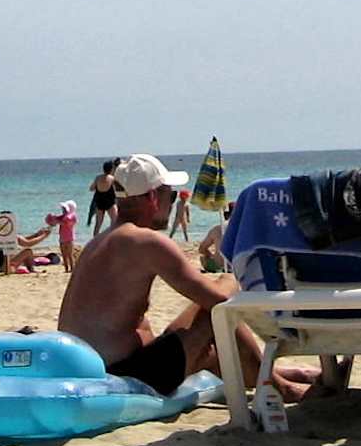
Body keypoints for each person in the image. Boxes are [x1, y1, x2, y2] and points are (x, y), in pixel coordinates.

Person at [56, 153, 316, 400]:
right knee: (218, 300)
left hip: (98, 369)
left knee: (211, 351)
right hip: (127, 375)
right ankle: (280, 387)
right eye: (170, 196)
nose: (172, 204)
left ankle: (287, 375)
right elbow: (218, 300)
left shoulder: (98, 242)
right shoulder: (144, 241)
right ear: (152, 197)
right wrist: (236, 279)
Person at [85, 159, 121, 241]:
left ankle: (95, 241)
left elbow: (91, 188)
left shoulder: (98, 178)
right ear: (111, 169)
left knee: (98, 224)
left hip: (99, 202)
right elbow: (117, 190)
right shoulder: (112, 178)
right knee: (114, 221)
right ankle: (112, 238)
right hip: (110, 202)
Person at [44, 200, 81, 271]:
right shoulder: (62, 217)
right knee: (64, 255)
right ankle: (66, 268)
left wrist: (57, 220)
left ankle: (72, 268)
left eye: (64, 209)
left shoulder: (72, 217)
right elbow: (53, 222)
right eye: (63, 209)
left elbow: (66, 223)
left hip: (69, 239)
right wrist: (52, 218)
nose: (63, 210)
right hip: (62, 238)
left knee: (70, 254)